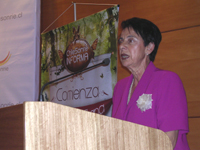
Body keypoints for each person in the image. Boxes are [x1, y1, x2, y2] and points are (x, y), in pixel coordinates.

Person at [112, 17, 189, 150]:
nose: (122, 46)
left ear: (149, 47)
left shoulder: (167, 81)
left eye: (130, 40)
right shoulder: (120, 87)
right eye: (121, 41)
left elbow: (168, 141)